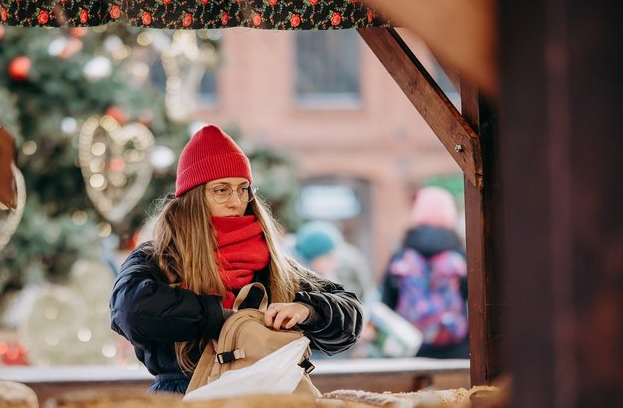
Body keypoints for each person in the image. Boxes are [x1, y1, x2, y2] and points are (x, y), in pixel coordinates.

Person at [110, 124, 363, 393]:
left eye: (243, 189)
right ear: (194, 198)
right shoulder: (158, 257)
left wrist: (308, 311)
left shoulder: (273, 261)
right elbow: (129, 311)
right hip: (183, 407)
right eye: (222, 190)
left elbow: (351, 316)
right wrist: (231, 319)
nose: (236, 201)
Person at [380, 185, 469, 359]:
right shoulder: (460, 256)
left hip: (411, 348)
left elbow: (387, 303)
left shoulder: (402, 256)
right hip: (455, 348)